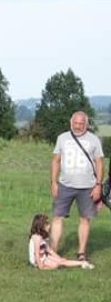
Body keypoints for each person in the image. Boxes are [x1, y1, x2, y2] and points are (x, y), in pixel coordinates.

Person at [50, 111, 104, 263]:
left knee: (85, 219)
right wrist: (54, 182)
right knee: (57, 217)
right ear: (71, 123)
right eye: (76, 123)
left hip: (88, 187)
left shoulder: (94, 140)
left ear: (86, 124)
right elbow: (55, 161)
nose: (78, 126)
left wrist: (98, 185)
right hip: (65, 185)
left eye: (81, 123)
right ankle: (52, 251)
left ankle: (81, 253)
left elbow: (99, 163)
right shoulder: (62, 138)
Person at [29, 213, 93, 270]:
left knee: (62, 261)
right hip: (37, 260)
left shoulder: (43, 237)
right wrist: (40, 266)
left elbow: (49, 250)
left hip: (44, 257)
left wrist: (59, 258)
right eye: (47, 224)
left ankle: (82, 263)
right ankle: (44, 267)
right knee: (56, 265)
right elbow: (36, 253)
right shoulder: (36, 237)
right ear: (40, 226)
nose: (49, 226)